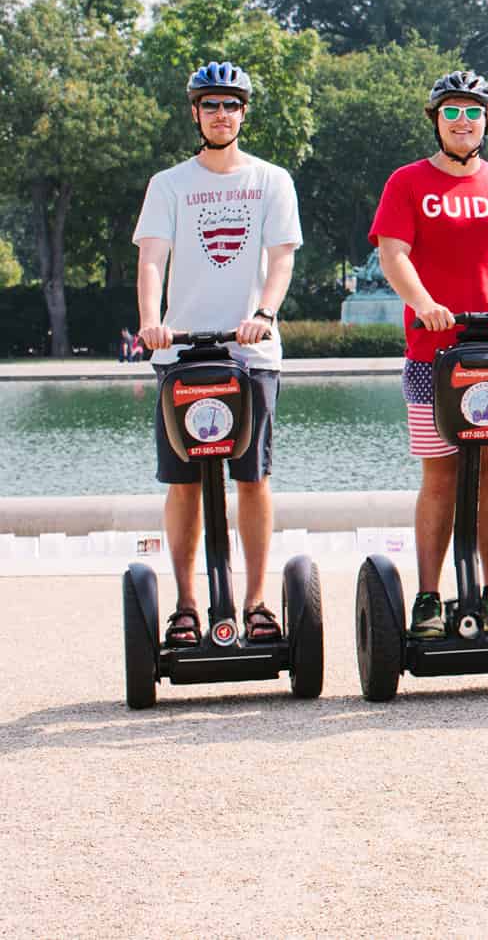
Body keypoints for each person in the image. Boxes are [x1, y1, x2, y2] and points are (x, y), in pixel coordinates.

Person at [368, 70, 488, 640]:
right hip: (434, 354)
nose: (462, 121)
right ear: (436, 119)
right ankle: (428, 598)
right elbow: (394, 255)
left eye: (472, 112)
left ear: (486, 122)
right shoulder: (407, 183)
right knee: (441, 476)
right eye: (451, 111)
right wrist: (424, 303)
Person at [134, 62, 302, 647]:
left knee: (252, 480)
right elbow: (152, 257)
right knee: (183, 483)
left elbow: (280, 258)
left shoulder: (270, 180)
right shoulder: (170, 184)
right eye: (211, 105)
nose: (222, 114)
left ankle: (256, 602)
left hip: (252, 354)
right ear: (196, 113)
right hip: (179, 354)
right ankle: (184, 606)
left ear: (244, 113)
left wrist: (264, 315)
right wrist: (152, 323)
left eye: (231, 105)